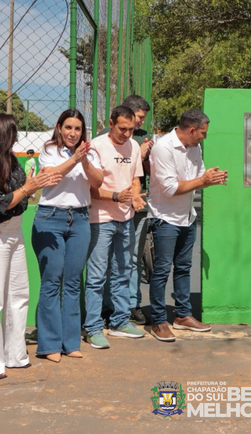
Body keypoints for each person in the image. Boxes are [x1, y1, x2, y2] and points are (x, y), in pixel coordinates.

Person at [0, 114, 60, 380]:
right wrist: (28, 188)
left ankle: (15, 354)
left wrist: (33, 184)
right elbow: (0, 204)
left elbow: (20, 195)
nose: (16, 140)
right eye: (12, 135)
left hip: (13, 230)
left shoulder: (11, 160)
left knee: (18, 294)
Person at [31, 109, 104, 363]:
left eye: (78, 129)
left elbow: (98, 182)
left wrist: (84, 160)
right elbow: (51, 178)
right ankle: (49, 344)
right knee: (52, 280)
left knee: (73, 282)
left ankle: (70, 342)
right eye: (69, 128)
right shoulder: (49, 149)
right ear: (60, 127)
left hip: (81, 219)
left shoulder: (90, 153)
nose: (73, 133)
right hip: (50, 218)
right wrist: (74, 159)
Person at [148, 109, 227, 342]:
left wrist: (210, 178)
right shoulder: (163, 148)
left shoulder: (195, 147)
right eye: (202, 133)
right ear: (192, 130)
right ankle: (159, 320)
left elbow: (199, 175)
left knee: (184, 267)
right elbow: (171, 188)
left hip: (187, 217)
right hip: (165, 218)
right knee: (161, 270)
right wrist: (202, 181)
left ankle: (182, 316)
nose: (204, 137)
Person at [83, 106, 147, 349]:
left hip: (126, 217)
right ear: (110, 123)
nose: (127, 134)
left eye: (131, 129)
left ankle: (120, 321)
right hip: (100, 219)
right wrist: (114, 196)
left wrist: (136, 196)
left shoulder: (132, 146)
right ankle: (93, 327)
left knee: (124, 270)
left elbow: (134, 178)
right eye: (122, 128)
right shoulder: (97, 146)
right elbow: (90, 187)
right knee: (97, 276)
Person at [96, 94, 153, 325]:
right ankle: (107, 306)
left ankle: (131, 304)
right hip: (108, 207)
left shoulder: (142, 138)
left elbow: (145, 172)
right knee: (107, 260)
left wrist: (146, 156)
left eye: (140, 121)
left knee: (131, 259)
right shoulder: (104, 138)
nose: (139, 124)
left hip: (137, 205)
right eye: (138, 118)